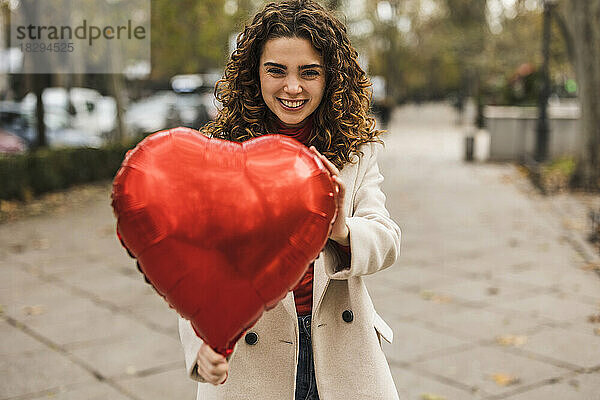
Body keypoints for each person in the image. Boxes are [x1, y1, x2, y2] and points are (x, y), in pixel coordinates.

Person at [178, 1, 401, 399]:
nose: (292, 87)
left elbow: (386, 238)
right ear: (255, 73)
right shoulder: (218, 153)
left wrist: (343, 230)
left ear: (330, 77)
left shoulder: (356, 149)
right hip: (249, 359)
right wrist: (201, 341)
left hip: (341, 352)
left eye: (309, 73)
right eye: (276, 70)